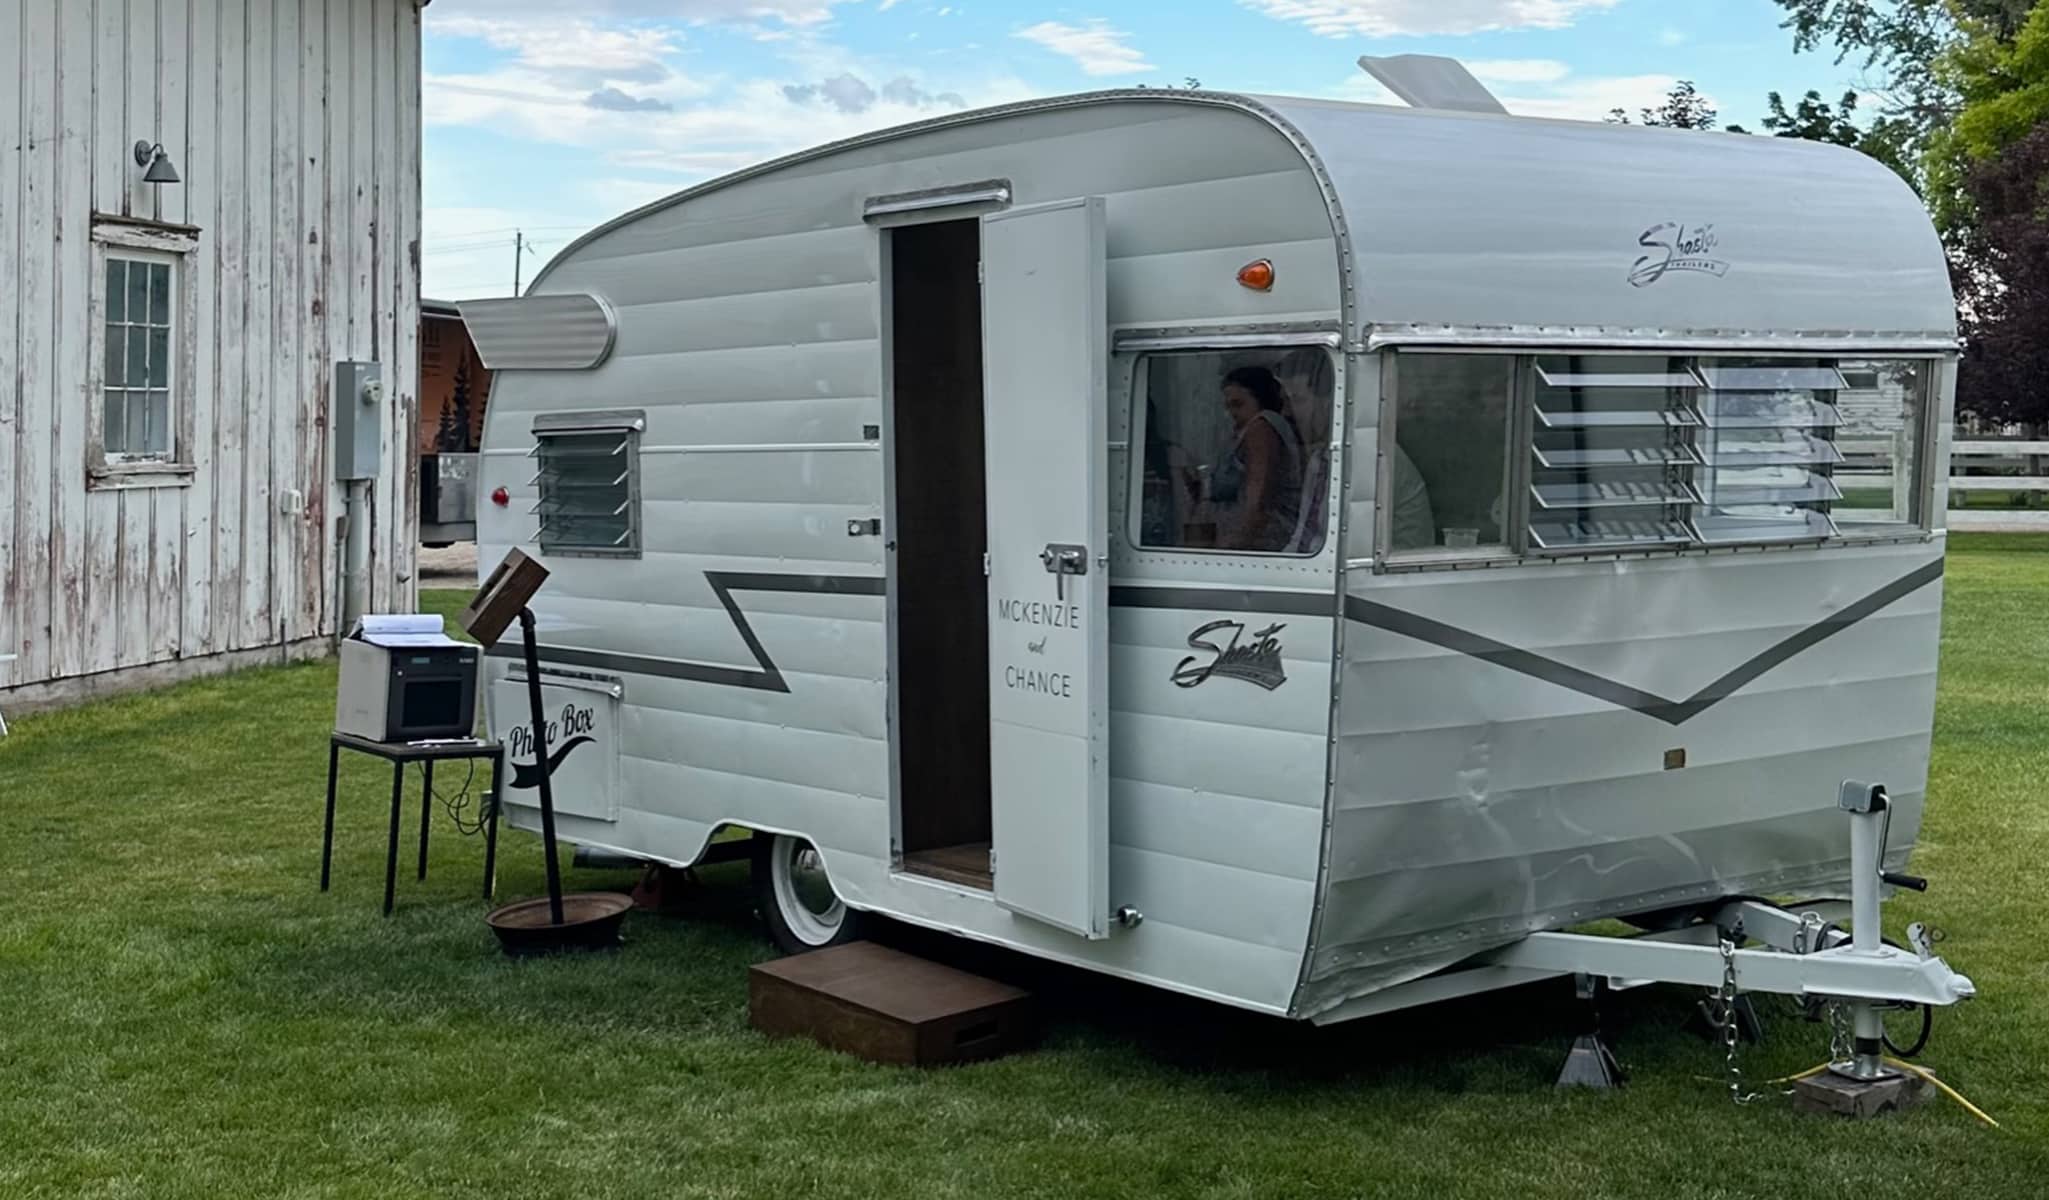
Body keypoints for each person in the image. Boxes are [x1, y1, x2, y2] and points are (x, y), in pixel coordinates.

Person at [1275, 349, 1436, 552]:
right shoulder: (1320, 460)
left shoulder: (1371, 457)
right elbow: (1302, 536)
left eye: (1297, 400)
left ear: (1329, 402)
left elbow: (1349, 550)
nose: (1286, 412)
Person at [1205, 366, 1303, 552]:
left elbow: (1258, 495)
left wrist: (1237, 542)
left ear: (1260, 398)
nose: (1231, 414)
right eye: (1228, 406)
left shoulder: (1262, 428)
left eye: (1238, 404)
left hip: (1262, 540)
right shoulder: (1244, 432)